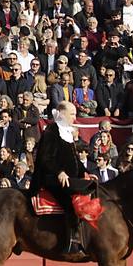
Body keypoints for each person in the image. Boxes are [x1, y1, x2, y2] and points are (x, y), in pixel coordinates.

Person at [32, 101, 98, 253]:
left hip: (68, 177)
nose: (75, 118)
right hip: (51, 178)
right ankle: (72, 242)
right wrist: (59, 172)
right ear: (61, 114)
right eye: (72, 114)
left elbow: (74, 160)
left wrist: (86, 172)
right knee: (70, 202)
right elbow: (45, 158)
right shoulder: (51, 131)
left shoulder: (66, 131)